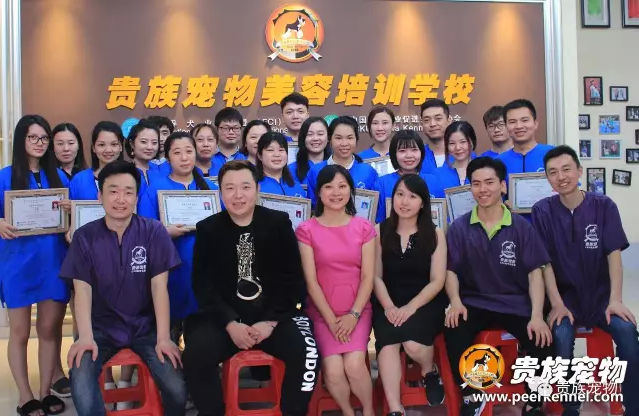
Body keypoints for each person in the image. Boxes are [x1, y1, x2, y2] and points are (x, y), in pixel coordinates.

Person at [182, 160, 317, 415]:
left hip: (273, 318)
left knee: (308, 352)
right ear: (220, 193)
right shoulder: (208, 229)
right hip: (225, 321)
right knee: (195, 355)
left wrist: (270, 322)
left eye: (245, 187)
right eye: (230, 188)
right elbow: (203, 285)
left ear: (257, 189)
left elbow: (292, 279)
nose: (238, 195)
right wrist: (230, 323)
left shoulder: (278, 223)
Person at [62, 161, 187, 416]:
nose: (121, 199)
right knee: (82, 386)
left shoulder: (154, 232)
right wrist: (85, 336)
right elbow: (81, 291)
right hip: (100, 328)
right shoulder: (84, 237)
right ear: (100, 196)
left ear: (137, 197)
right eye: (113, 191)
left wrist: (164, 337)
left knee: (177, 389)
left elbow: (159, 288)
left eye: (128, 192)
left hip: (145, 328)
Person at [532, 145, 639, 416]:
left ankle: (633, 407)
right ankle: (570, 408)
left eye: (567, 169)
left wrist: (616, 300)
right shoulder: (542, 211)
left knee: (627, 332)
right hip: (565, 298)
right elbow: (544, 263)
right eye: (553, 172)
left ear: (580, 171)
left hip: (601, 297)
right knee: (561, 336)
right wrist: (556, 303)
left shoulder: (604, 206)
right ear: (547, 178)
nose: (561, 177)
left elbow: (614, 255)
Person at [444, 157, 553, 416]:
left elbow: (535, 274)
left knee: (542, 338)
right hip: (475, 301)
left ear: (503, 186)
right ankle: (471, 395)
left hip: (515, 303)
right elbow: (451, 271)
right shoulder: (459, 227)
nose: (483, 189)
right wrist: (455, 302)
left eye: (489, 182)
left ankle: (534, 400)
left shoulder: (521, 227)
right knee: (453, 328)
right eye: (476, 184)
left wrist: (537, 315)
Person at [0, 115, 71, 416]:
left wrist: (71, 212)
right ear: (21, 140)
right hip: (18, 263)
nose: (39, 143)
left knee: (49, 330)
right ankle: (25, 395)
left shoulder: (59, 178)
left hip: (53, 262)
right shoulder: (5, 176)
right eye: (33, 137)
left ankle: (44, 392)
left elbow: (73, 218)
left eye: (44, 138)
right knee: (19, 332)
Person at [296, 165, 375, 416]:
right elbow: (311, 281)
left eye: (342, 186)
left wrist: (353, 315)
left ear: (351, 191)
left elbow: (368, 277)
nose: (336, 192)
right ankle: (348, 412)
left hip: (357, 311)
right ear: (319, 193)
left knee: (354, 366)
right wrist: (331, 321)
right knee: (332, 370)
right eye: (328, 187)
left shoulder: (364, 228)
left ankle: (369, 411)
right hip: (323, 314)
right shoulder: (306, 230)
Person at [373, 174, 448, 413]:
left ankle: (428, 370)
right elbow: (375, 276)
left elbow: (437, 281)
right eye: (400, 194)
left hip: (425, 302)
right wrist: (389, 307)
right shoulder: (379, 231)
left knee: (412, 344)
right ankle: (396, 409)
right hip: (388, 301)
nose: (404, 202)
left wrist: (410, 308)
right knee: (387, 343)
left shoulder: (435, 234)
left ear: (423, 202)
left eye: (412, 196)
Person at [138, 132, 218, 341]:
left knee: (201, 332)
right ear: (167, 157)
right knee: (168, 330)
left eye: (189, 151)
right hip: (169, 268)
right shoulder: (154, 189)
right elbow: (143, 228)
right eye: (177, 152)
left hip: (204, 269)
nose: (184, 158)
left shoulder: (210, 188)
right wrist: (165, 232)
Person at [373, 130, 445, 224]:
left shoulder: (433, 181)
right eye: (402, 151)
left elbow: (442, 217)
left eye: (414, 150)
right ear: (394, 154)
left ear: (421, 152)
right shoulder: (381, 184)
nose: (409, 156)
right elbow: (378, 221)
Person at [306, 116, 378, 206]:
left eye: (349, 138)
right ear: (330, 139)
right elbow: (312, 207)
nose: (344, 143)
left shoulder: (368, 171)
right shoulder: (316, 171)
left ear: (356, 140)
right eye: (338, 138)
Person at [496, 99, 553, 180]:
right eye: (512, 122)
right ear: (506, 126)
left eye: (524, 120)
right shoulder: (498, 162)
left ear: (535, 123)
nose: (519, 126)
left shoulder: (553, 154)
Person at [69, 121, 125, 200]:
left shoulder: (133, 177)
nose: (108, 150)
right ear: (93, 148)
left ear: (121, 147)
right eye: (101, 145)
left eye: (114, 144)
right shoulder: (79, 180)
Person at [256, 132, 306, 197]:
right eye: (270, 150)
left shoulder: (297, 186)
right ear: (259, 156)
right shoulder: (254, 186)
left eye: (281, 150)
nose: (277, 154)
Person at [289, 117, 330, 187]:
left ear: (328, 137)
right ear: (303, 138)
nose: (315, 138)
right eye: (310, 134)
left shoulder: (336, 167)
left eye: (320, 134)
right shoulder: (290, 170)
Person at [435, 121, 476, 189]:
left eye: (463, 142)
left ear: (472, 142)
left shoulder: (484, 170)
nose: (457, 148)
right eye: (452, 143)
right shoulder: (437, 175)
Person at [124, 118, 161, 187]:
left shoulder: (162, 171)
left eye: (154, 142)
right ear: (132, 144)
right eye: (143, 142)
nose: (149, 147)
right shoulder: (123, 173)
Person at [419, 99, 452, 174]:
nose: (432, 124)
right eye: (427, 120)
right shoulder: (416, 157)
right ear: (422, 124)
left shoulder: (464, 155)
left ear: (449, 121)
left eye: (438, 119)